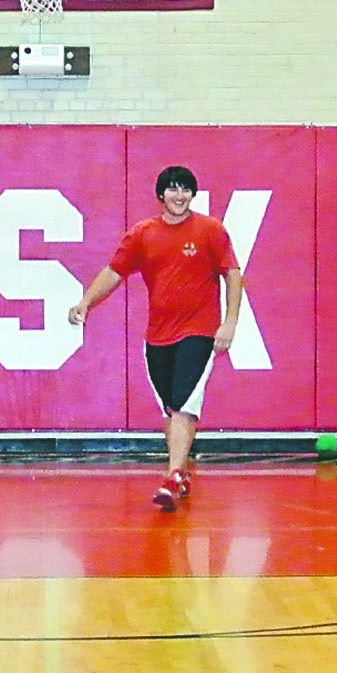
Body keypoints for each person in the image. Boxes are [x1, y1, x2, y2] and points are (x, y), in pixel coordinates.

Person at [69, 164, 245, 511]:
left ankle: (172, 475)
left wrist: (230, 322)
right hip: (157, 336)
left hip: (198, 331)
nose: (179, 196)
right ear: (161, 195)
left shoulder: (211, 231)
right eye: (173, 189)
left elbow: (232, 274)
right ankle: (180, 471)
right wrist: (85, 302)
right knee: (172, 409)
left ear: (193, 194)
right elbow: (114, 271)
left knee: (183, 403)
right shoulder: (143, 233)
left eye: (185, 190)